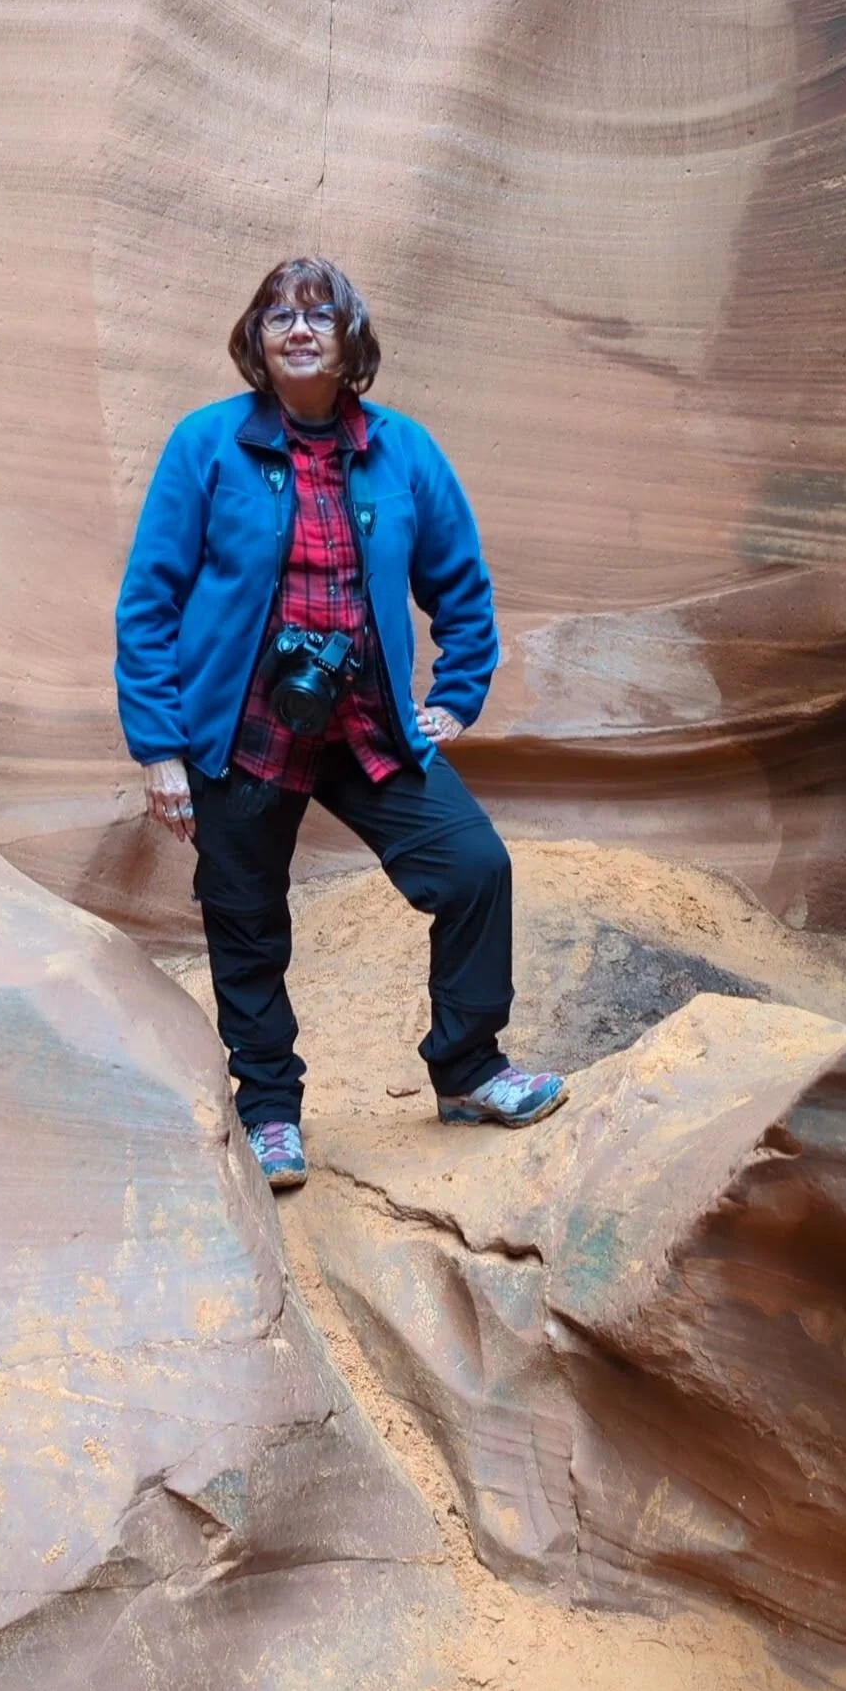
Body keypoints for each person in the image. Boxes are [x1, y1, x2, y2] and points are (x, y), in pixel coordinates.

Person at [114, 255, 566, 1192]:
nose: (298, 328)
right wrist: (159, 744)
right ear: (257, 338)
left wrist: (456, 694)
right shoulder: (206, 444)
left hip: (368, 723)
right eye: (278, 314)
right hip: (243, 728)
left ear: (351, 338)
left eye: (319, 314)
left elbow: (462, 588)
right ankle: (270, 1111)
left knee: (475, 867)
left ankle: (470, 1067)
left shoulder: (403, 450)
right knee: (245, 919)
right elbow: (149, 601)